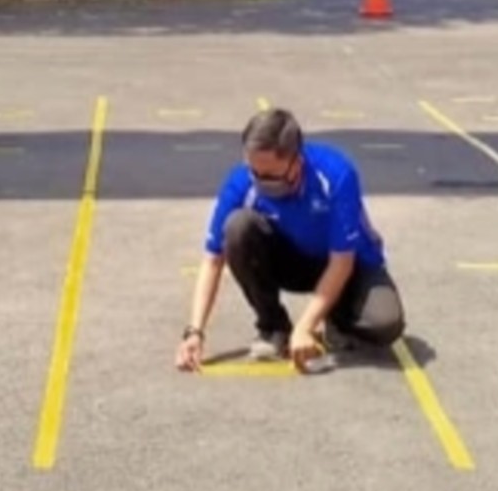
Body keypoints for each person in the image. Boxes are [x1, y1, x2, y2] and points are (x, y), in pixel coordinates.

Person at [174, 107, 406, 373]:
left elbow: (342, 262)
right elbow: (212, 260)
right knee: (238, 228)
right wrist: (194, 332)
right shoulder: (239, 183)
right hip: (293, 261)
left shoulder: (337, 175)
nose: (262, 182)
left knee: (385, 324)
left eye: (271, 175)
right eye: (254, 172)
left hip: (350, 264)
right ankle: (273, 327)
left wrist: (306, 326)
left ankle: (336, 319)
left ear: (297, 161)